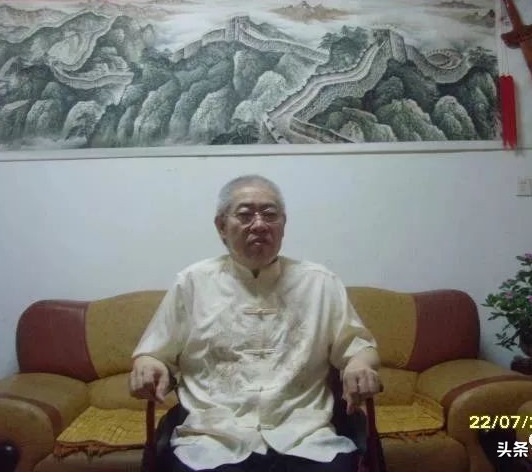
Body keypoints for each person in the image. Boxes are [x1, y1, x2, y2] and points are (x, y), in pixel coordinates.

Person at [129, 175, 381, 472]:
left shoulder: (320, 283)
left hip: (304, 435)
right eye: (246, 214)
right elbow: (154, 353)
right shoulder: (192, 283)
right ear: (221, 226)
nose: (259, 224)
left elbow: (358, 346)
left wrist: (358, 364)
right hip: (212, 438)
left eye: (270, 215)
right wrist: (148, 365)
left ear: (283, 225)